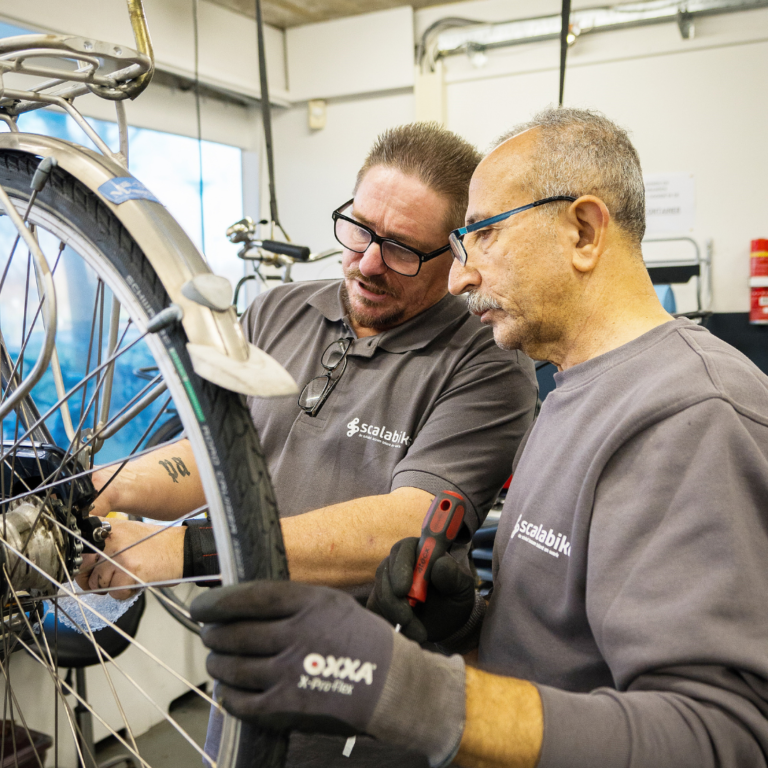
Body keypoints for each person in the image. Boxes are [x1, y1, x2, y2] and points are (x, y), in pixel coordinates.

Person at [190, 107, 768, 768]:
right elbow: (563, 658)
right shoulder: (575, 389)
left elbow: (720, 742)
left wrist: (394, 681)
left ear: (583, 230)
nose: (461, 277)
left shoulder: (695, 415)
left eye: (485, 235)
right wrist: (463, 625)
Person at [86, 123, 538, 766]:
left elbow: (406, 526)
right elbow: (211, 457)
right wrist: (99, 484)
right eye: (359, 230)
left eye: (404, 249)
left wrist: (184, 550)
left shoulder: (486, 363)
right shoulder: (276, 311)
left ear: (456, 255)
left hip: (365, 706)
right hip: (243, 677)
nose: (370, 262)